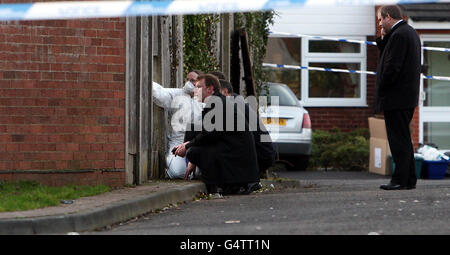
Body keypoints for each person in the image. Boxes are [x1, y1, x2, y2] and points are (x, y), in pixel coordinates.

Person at [173, 74, 260, 195]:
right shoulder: (217, 102)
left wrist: (188, 146)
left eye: (198, 87)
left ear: (210, 89)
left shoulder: (217, 104)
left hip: (236, 157)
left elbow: (211, 134)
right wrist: (188, 145)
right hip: (232, 151)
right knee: (193, 134)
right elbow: (208, 132)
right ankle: (221, 184)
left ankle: (218, 186)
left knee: (194, 152)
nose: (195, 90)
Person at [375, 5, 421, 190]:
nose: (379, 24)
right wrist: (384, 39)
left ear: (388, 17)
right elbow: (390, 55)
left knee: (398, 139)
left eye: (380, 20)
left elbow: (392, 66)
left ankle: (400, 180)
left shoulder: (400, 35)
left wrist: (382, 87)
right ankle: (408, 179)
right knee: (403, 138)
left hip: (397, 97)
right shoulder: (407, 32)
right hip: (406, 96)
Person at [152, 70, 204, 179]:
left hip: (198, 142)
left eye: (193, 80)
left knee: (200, 171)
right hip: (177, 142)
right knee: (177, 172)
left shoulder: (205, 99)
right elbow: (159, 93)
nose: (189, 83)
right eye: (187, 79)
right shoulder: (177, 94)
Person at [220, 79, 275, 178]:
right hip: (263, 153)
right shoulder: (236, 101)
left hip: (259, 156)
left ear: (225, 91)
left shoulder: (233, 105)